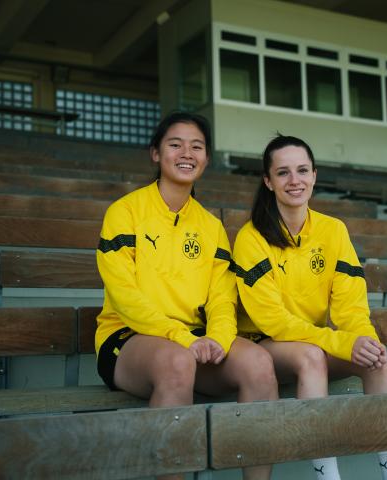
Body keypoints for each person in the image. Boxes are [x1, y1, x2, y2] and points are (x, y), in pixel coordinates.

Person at [95, 112, 278, 480]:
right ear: (155, 153)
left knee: (259, 363)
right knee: (177, 362)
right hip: (129, 337)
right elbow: (126, 297)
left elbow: (222, 298)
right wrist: (181, 338)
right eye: (175, 144)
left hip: (194, 339)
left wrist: (219, 339)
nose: (186, 153)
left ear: (207, 158)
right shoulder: (125, 212)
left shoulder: (211, 226)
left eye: (197, 146)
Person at [232, 134, 387, 480]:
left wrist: (363, 339)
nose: (294, 180)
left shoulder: (333, 230)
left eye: (302, 170)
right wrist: (339, 341)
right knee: (311, 357)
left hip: (312, 339)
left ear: (314, 175)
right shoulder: (251, 237)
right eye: (283, 172)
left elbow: (351, 306)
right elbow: (272, 321)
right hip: (264, 344)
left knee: (377, 358)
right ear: (268, 181)